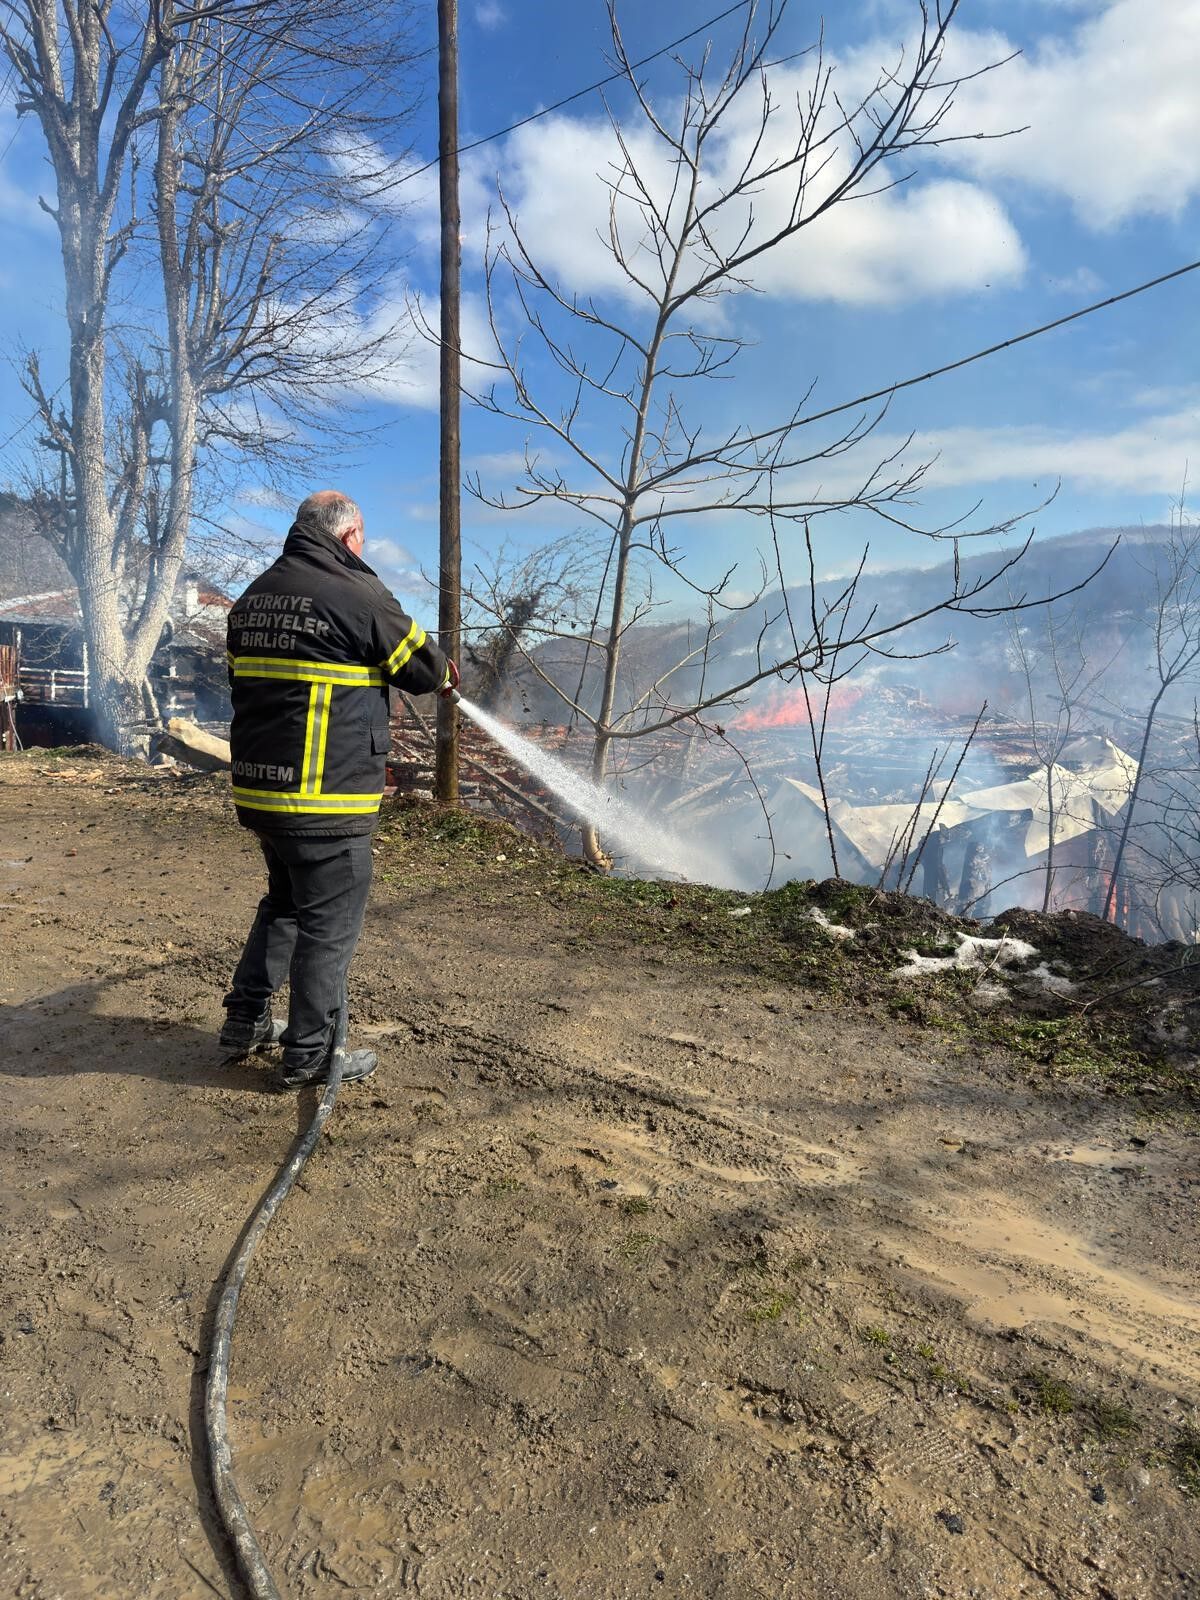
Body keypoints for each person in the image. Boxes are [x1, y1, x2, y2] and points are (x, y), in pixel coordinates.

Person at [219, 490, 458, 1087]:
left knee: (284, 906)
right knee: (328, 925)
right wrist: (446, 664)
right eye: (364, 539)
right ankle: (312, 1053)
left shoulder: (252, 598)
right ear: (349, 536)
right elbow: (425, 670)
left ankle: (245, 1021)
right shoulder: (355, 592)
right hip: (326, 798)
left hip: (261, 791)